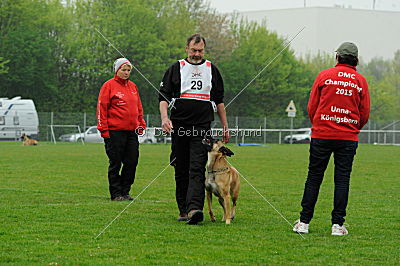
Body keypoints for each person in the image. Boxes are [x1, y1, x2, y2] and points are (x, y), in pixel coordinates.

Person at [293, 42, 370, 235]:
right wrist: (352, 128)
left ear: (337, 57)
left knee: (314, 178)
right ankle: (337, 225)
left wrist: (319, 125)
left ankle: (304, 223)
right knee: (342, 180)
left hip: (322, 135)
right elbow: (364, 112)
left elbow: (312, 107)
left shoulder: (324, 76)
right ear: (356, 60)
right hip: (348, 138)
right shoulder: (360, 81)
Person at [159, 33, 229, 224]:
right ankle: (183, 209)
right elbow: (163, 98)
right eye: (194, 50)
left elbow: (219, 101)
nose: (197, 54)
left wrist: (225, 126)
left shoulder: (212, 70)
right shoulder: (176, 68)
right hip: (180, 127)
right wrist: (165, 118)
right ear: (186, 49)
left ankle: (194, 209)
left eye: (200, 50)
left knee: (197, 167)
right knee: (180, 168)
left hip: (202, 127)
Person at [97, 58, 146, 201]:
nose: (126, 73)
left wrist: (140, 123)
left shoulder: (133, 87)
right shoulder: (108, 86)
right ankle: (116, 193)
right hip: (114, 132)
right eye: (123, 70)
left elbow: (138, 108)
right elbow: (102, 108)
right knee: (115, 162)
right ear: (116, 70)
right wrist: (103, 129)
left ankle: (125, 191)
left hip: (131, 132)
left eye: (128, 70)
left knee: (132, 161)